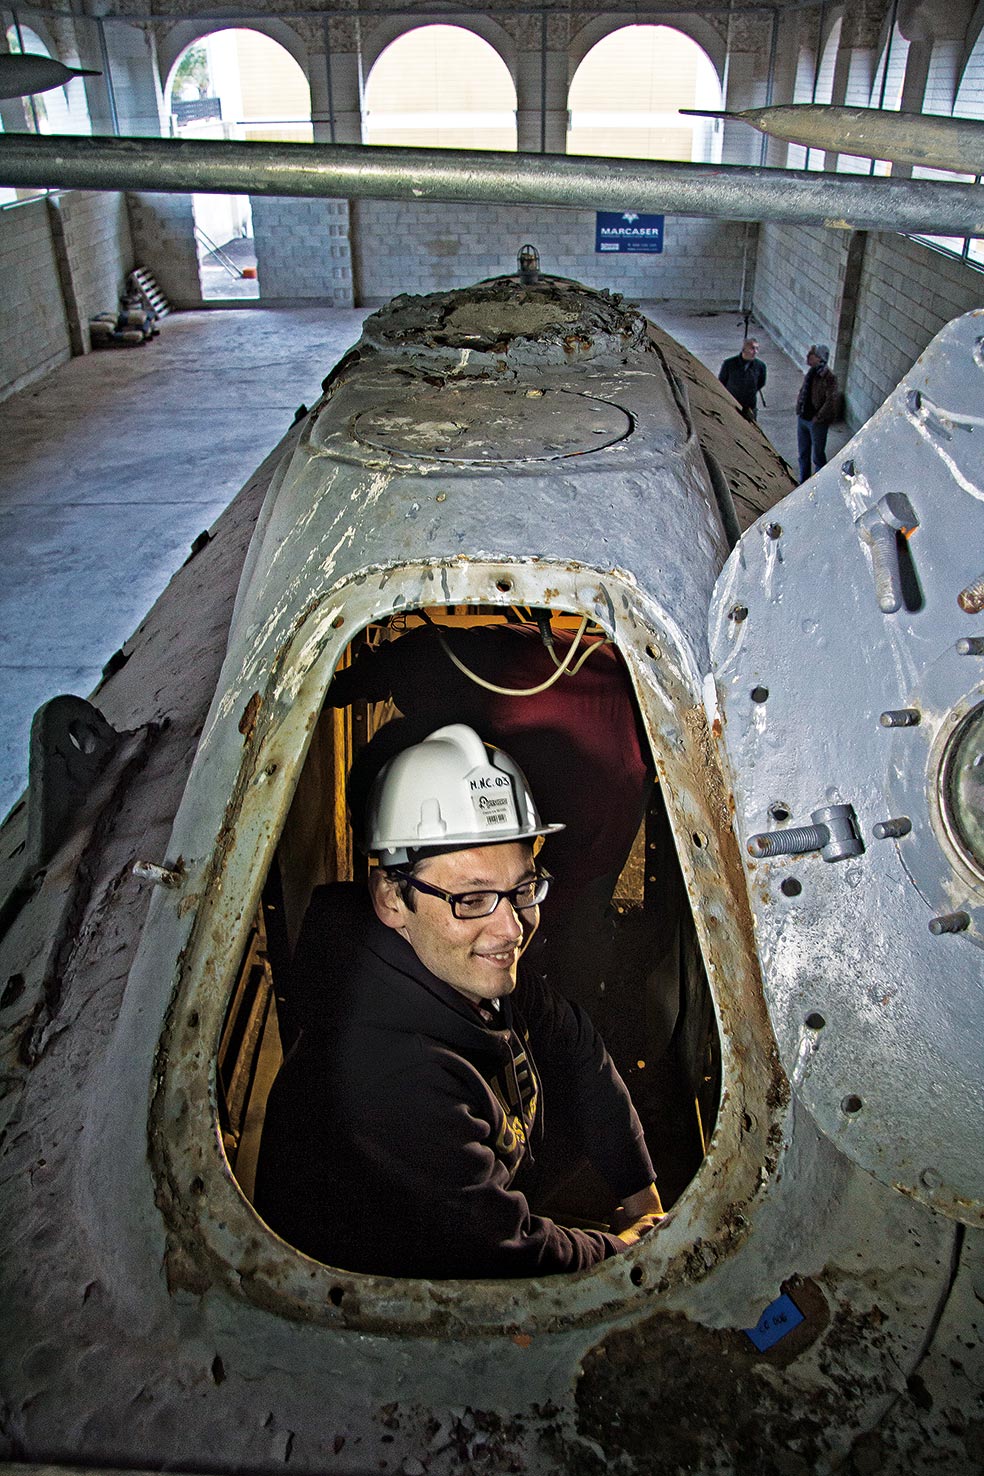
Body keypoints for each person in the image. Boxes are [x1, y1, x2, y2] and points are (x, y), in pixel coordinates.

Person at [253, 723, 664, 1279]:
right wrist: (632, 1252)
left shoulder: (457, 966)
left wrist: (641, 1198)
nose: (511, 929)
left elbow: (573, 1043)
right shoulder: (383, 1079)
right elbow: (501, 1249)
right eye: (472, 898)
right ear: (392, 899)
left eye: (522, 889)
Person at [796, 343, 840, 482]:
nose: (808, 356)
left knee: (818, 456)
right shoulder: (811, 373)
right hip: (803, 418)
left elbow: (831, 401)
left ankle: (818, 483)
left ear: (820, 358)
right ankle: (803, 483)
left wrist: (818, 417)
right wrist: (799, 407)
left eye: (812, 354)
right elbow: (803, 391)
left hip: (816, 422)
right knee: (803, 454)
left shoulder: (829, 377)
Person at [718, 337, 766, 422]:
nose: (755, 352)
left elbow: (761, 382)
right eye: (752, 348)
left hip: (749, 404)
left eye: (757, 349)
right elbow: (722, 381)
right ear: (744, 349)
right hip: (732, 402)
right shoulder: (729, 364)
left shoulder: (760, 366)